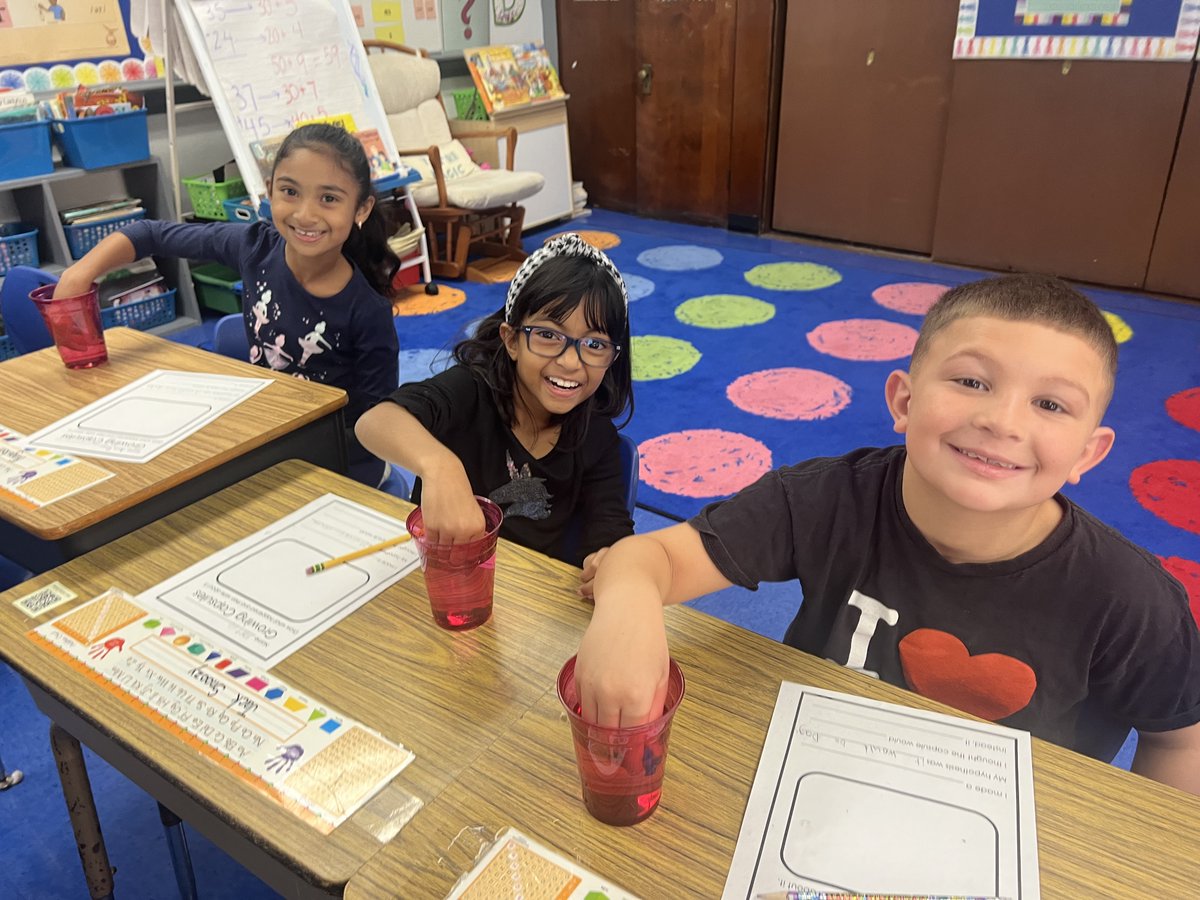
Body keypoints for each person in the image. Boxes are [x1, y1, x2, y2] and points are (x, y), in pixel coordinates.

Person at [574, 273, 1200, 796]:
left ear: (1090, 453)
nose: (1001, 421)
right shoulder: (823, 499)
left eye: (1051, 405)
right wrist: (628, 605)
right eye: (972, 381)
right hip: (819, 782)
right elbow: (654, 555)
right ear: (903, 401)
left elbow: (1178, 739)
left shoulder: (1134, 601)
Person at [54, 123, 400, 486]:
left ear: (361, 209)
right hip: (267, 430)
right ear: (269, 191)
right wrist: (78, 274)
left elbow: (380, 422)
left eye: (329, 198)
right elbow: (150, 234)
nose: (305, 214)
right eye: (290, 191)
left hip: (339, 459)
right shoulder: (254, 246)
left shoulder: (367, 312)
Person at [356, 232, 634, 567]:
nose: (570, 362)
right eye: (547, 335)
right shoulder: (472, 390)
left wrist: (609, 562)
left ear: (613, 357)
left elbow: (610, 531)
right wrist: (439, 466)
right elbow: (375, 421)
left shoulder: (596, 436)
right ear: (512, 340)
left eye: (594, 344)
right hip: (442, 578)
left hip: (529, 600)